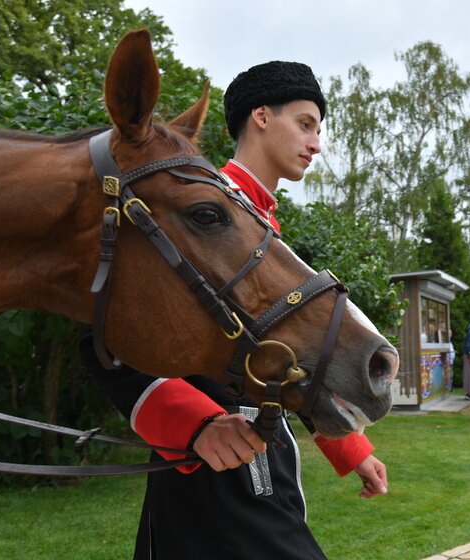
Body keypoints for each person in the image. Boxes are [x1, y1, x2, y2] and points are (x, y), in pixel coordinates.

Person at [81, 61, 387, 560]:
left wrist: (350, 448)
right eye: (305, 124)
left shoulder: (261, 224)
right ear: (261, 116)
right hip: (211, 471)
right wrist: (193, 426)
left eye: (318, 129)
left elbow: (290, 358)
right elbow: (101, 334)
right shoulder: (194, 215)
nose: (316, 143)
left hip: (262, 461)